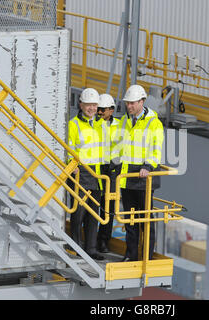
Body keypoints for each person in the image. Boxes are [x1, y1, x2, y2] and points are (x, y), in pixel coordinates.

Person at [113, 84, 164, 262]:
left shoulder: (153, 123)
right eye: (128, 103)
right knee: (130, 220)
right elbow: (118, 144)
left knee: (146, 220)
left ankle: (146, 257)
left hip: (144, 178)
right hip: (127, 177)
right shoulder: (126, 120)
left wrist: (148, 167)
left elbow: (156, 150)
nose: (129, 106)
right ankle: (131, 255)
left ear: (142, 101)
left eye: (133, 103)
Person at [68, 88, 106, 261]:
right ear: (81, 104)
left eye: (94, 105)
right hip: (80, 173)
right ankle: (76, 246)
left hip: (96, 174)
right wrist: (72, 165)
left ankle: (91, 248)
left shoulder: (100, 125)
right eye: (88, 104)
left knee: (93, 214)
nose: (91, 108)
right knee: (78, 212)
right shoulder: (73, 124)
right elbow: (69, 148)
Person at [96, 93, 120, 253]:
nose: (99, 112)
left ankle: (103, 241)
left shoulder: (119, 126)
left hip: (112, 172)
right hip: (97, 169)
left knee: (108, 209)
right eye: (98, 109)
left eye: (102, 109)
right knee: (91, 207)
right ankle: (90, 240)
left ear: (111, 110)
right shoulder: (93, 124)